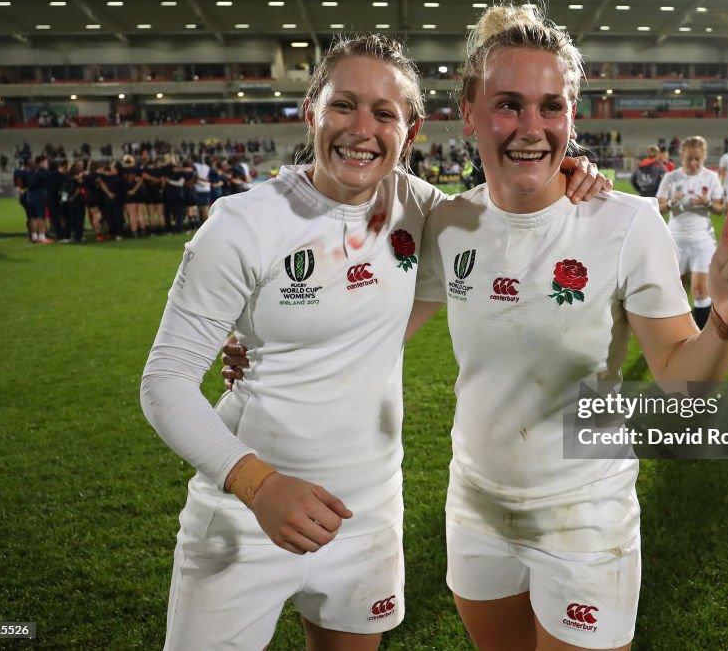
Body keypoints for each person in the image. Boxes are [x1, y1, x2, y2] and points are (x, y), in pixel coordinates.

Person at [141, 33, 608, 651]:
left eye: (385, 113)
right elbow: (165, 383)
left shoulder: (422, 209)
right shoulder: (243, 224)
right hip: (245, 515)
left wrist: (570, 169)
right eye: (344, 105)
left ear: (409, 132)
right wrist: (258, 483)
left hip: (367, 515)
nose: (362, 129)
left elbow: (508, 217)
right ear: (311, 111)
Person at [414, 4, 728, 651]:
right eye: (508, 105)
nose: (532, 128)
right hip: (474, 505)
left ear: (572, 114)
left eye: (552, 106)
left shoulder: (626, 223)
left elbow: (679, 387)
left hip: (585, 514)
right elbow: (374, 332)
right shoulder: (447, 224)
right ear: (468, 111)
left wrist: (725, 323)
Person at [656, 136, 725, 329]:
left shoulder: (710, 178)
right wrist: (671, 203)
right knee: (675, 289)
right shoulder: (671, 178)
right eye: (690, 159)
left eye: (698, 159)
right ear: (682, 157)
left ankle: (701, 335)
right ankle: (676, 332)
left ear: (704, 157)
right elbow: (657, 207)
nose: (694, 163)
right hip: (675, 239)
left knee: (701, 290)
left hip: (702, 241)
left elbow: (720, 209)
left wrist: (708, 203)